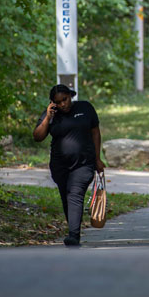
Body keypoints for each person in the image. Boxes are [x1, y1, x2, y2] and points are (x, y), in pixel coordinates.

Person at [33, 84, 106, 246]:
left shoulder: (85, 108)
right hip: (60, 166)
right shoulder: (50, 115)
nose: (63, 104)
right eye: (58, 102)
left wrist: (97, 158)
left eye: (64, 100)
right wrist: (47, 118)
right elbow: (37, 137)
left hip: (84, 163)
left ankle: (73, 235)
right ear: (52, 103)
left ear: (70, 96)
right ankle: (74, 231)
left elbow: (95, 131)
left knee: (74, 193)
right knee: (67, 197)